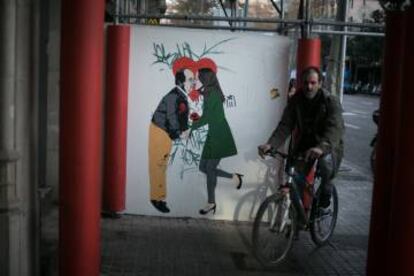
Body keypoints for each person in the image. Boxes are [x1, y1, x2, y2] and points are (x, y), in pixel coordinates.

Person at [258, 66, 344, 211]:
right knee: (295, 177)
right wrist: (270, 144)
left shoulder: (330, 101)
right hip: (306, 143)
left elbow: (334, 128)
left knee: (325, 166)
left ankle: (325, 193)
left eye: (313, 83)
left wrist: (321, 147)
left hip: (329, 144)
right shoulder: (296, 101)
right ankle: (296, 224)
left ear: (320, 83)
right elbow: (285, 125)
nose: (309, 87)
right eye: (305, 83)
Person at [191, 58, 243, 215]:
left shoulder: (212, 94)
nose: (195, 80)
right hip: (214, 134)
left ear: (205, 80)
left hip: (219, 135)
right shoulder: (208, 93)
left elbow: (207, 118)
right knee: (204, 167)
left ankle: (211, 203)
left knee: (210, 168)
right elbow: (206, 116)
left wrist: (190, 129)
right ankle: (234, 177)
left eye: (198, 78)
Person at [148, 57, 195, 213]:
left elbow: (181, 116)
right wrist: (178, 134)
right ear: (181, 82)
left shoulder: (180, 96)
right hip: (160, 130)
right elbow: (172, 117)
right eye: (190, 80)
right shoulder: (173, 96)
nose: (193, 83)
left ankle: (159, 196)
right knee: (158, 164)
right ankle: (157, 198)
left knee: (161, 164)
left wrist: (185, 129)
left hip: (165, 132)